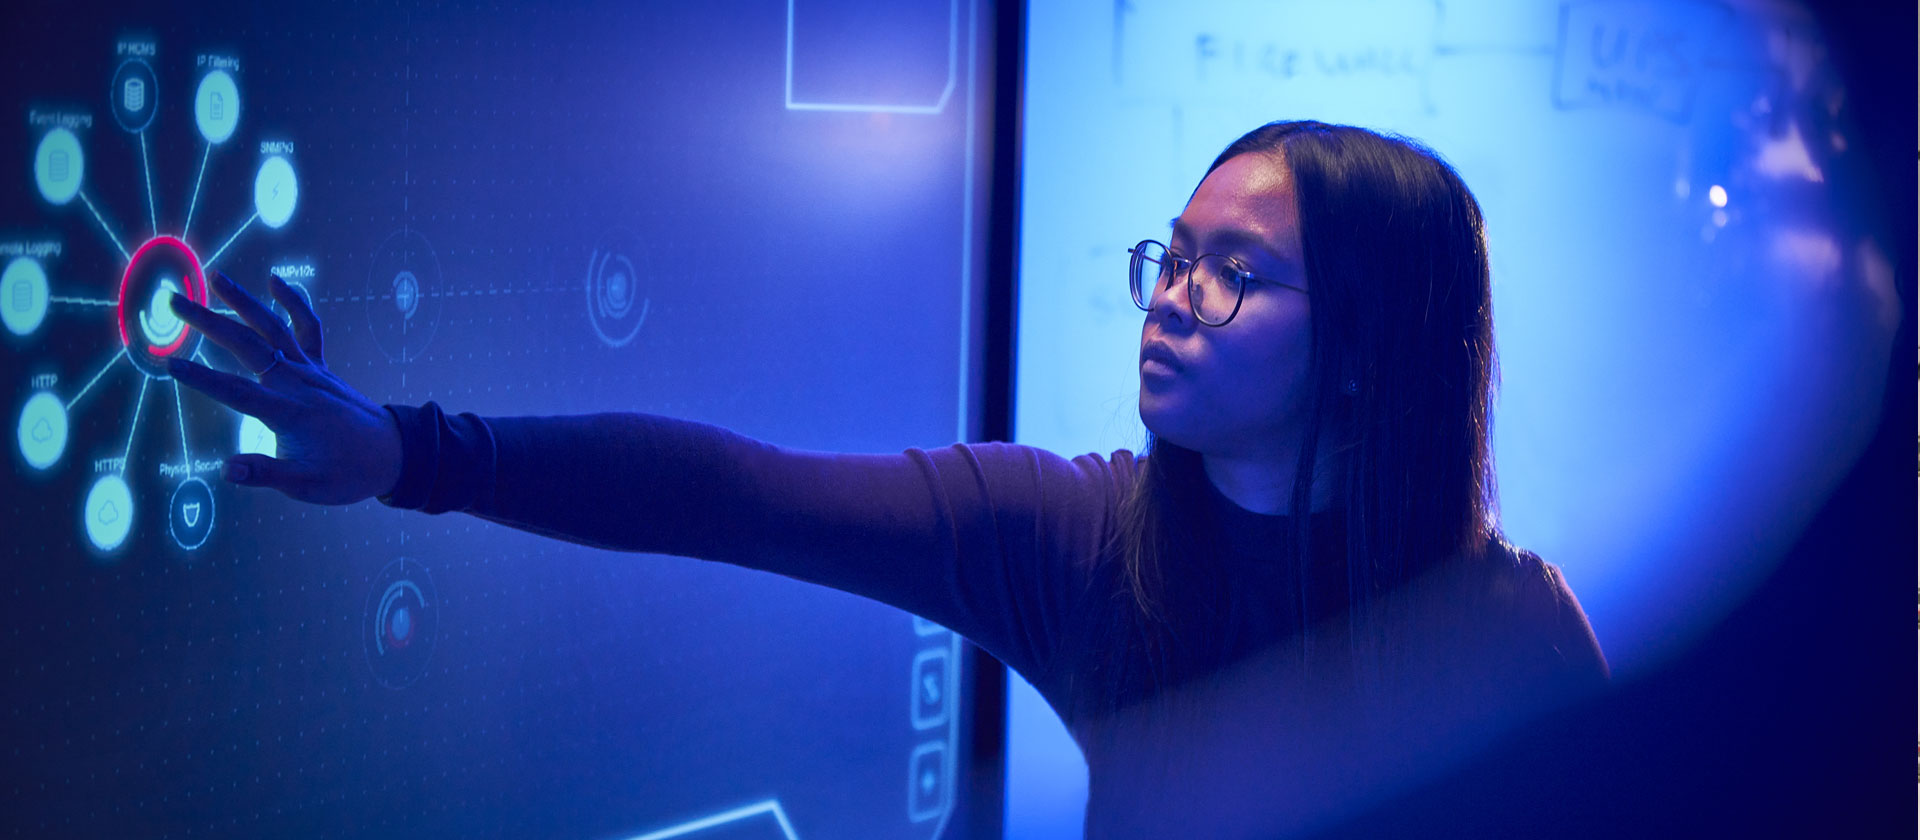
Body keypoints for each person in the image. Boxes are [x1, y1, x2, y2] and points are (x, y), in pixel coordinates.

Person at [168, 120, 1608, 838]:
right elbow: (731, 493)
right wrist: (413, 452)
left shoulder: (1509, 628)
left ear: (1364, 351)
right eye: (1171, 256)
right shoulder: (1082, 540)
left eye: (1237, 275)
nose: (1171, 298)